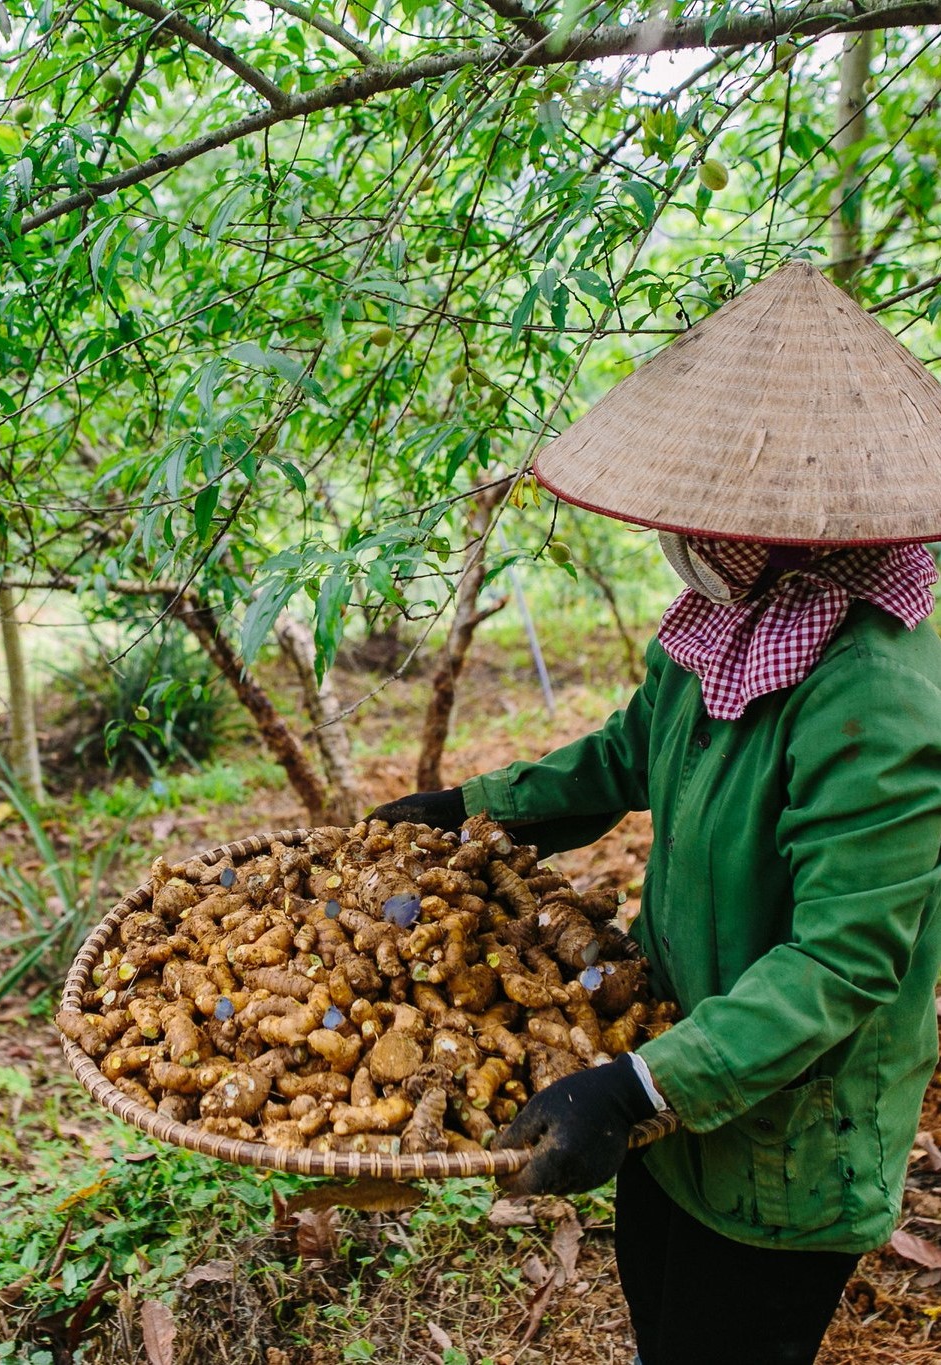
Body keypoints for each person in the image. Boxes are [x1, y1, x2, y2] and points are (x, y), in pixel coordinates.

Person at [370, 262, 941, 1365]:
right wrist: (474, 810)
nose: (675, 538)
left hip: (784, 1126)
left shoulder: (874, 696)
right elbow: (633, 751)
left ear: (778, 527)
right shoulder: (733, 618)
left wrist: (635, 1089)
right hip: (673, 1057)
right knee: (661, 1327)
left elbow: (842, 964)